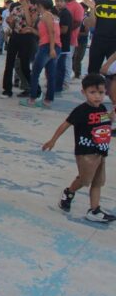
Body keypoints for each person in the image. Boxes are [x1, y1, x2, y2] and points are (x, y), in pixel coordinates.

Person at [42, 74, 114, 223]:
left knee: (97, 182)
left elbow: (105, 121)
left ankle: (94, 210)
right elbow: (65, 124)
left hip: (100, 151)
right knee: (84, 180)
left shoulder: (101, 108)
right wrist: (53, 140)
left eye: (100, 93)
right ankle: (69, 192)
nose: (97, 96)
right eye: (92, 92)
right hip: (85, 153)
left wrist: (112, 115)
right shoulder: (81, 110)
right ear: (84, 92)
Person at [20, 0, 60, 108]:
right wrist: (31, 30)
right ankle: (48, 100)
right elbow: (45, 34)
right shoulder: (52, 16)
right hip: (53, 45)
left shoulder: (46, 15)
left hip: (47, 47)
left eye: (36, 4)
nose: (35, 6)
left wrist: (51, 48)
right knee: (51, 74)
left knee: (35, 73)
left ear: (40, 5)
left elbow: (51, 33)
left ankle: (32, 99)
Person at [1, 0, 37, 99]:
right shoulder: (16, 8)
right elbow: (12, 24)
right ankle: (7, 89)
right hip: (15, 36)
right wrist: (10, 22)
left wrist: (26, 8)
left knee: (24, 64)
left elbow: (31, 24)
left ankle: (32, 87)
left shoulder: (34, 9)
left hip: (27, 37)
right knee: (9, 63)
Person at [84, 0, 116, 75]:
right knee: (93, 71)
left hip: (114, 42)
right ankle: (92, 89)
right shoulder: (98, 2)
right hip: (98, 41)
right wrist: (93, 9)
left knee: (113, 72)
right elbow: (91, 24)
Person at [63, 0, 84, 85]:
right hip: (59, 38)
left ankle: (66, 81)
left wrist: (66, 30)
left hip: (70, 38)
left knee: (67, 60)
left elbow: (78, 22)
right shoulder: (62, 3)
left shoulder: (78, 6)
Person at [54, 0, 73, 94]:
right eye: (57, 1)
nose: (58, 3)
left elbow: (64, 30)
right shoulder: (59, 13)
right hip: (58, 44)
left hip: (63, 45)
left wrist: (52, 32)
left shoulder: (65, 14)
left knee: (60, 67)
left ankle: (58, 87)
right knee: (57, 66)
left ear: (66, 2)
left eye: (61, 1)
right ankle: (56, 85)